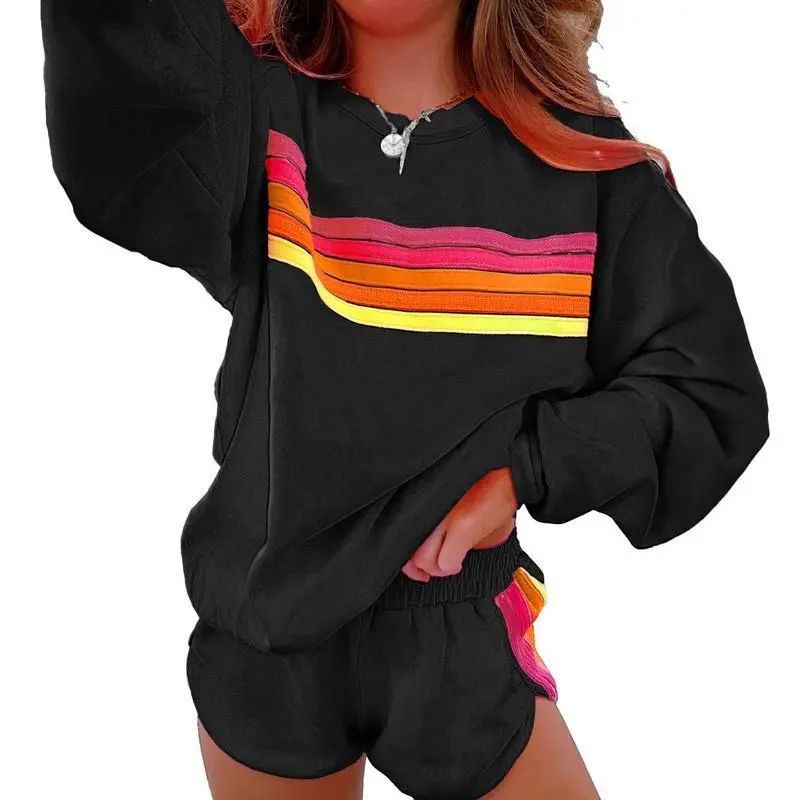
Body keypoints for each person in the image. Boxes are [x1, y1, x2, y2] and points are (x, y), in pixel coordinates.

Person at [40, 1, 769, 797]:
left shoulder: (583, 162)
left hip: (454, 624)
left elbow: (709, 384)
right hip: (264, 628)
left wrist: (528, 471)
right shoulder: (252, 110)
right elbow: (123, 103)